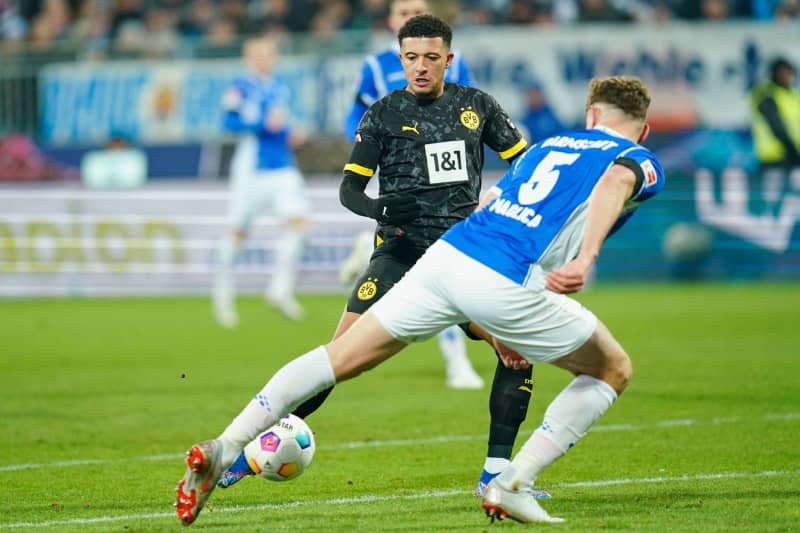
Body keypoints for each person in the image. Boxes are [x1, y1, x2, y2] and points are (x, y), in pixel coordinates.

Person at [175, 74, 664, 525]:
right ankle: (513, 482)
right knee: (611, 369)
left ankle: (226, 444)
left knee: (339, 357)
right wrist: (585, 259)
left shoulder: (550, 146)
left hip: (447, 256)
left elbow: (496, 202)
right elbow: (616, 181)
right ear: (640, 132)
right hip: (505, 279)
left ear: (591, 115)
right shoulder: (638, 158)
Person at [215, 14, 541, 500]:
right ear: (401, 58)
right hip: (400, 253)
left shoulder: (477, 107)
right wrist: (383, 206)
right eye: (412, 58)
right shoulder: (384, 114)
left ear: (448, 59)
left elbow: (526, 160)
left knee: (517, 352)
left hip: (462, 255)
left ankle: (496, 475)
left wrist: (505, 198)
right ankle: (245, 454)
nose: (421, 67)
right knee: (338, 356)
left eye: (432, 58)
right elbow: (350, 189)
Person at [340, 0, 483, 392]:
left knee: (443, 268)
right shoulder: (375, 67)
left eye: (416, 11)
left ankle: (458, 360)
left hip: (446, 176)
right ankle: (456, 361)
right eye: (403, 13)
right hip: (401, 176)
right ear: (392, 21)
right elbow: (355, 117)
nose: (409, 18)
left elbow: (467, 109)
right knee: (427, 265)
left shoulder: (453, 62)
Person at [212, 36, 311, 327]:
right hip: (250, 169)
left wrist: (290, 134)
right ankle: (223, 296)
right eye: (260, 54)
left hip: (282, 166)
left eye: (270, 54)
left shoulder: (280, 88)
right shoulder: (239, 88)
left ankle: (280, 289)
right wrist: (261, 125)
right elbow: (227, 123)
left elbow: (280, 124)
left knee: (300, 223)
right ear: (248, 57)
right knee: (238, 232)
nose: (266, 59)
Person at [750, 56, 800, 173]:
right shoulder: (765, 93)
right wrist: (793, 151)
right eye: (782, 72)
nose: (786, 76)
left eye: (788, 72)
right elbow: (775, 125)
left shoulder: (793, 96)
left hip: (793, 158)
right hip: (772, 158)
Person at [518, 80, 567, 144]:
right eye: (529, 94)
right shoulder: (525, 121)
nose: (532, 97)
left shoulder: (551, 118)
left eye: (535, 94)